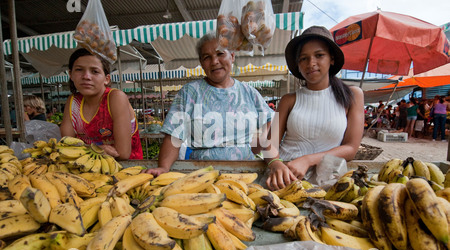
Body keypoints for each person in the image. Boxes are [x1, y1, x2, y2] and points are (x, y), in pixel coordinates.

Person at [144, 31, 273, 177]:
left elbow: (270, 121)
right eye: (207, 57)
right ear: (201, 63)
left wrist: (255, 147)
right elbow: (174, 136)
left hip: (245, 173)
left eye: (220, 54)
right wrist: (164, 167)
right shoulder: (190, 93)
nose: (214, 61)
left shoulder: (249, 93)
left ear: (232, 56)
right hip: (201, 175)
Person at [262, 25, 365, 190]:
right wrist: (275, 164)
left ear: (331, 59)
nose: (311, 63)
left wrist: (308, 160)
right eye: (304, 58)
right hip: (284, 181)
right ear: (298, 64)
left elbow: (351, 148)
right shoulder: (289, 100)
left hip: (328, 184)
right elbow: (268, 143)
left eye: (319, 55)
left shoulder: (352, 95)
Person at [60, 48, 143, 160]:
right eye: (79, 70)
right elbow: (65, 145)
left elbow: (122, 153)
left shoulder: (115, 98)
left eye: (95, 71)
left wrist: (82, 148)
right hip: (87, 169)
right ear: (71, 74)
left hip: (127, 170)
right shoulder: (73, 102)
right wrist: (95, 149)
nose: (86, 76)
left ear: (106, 79)